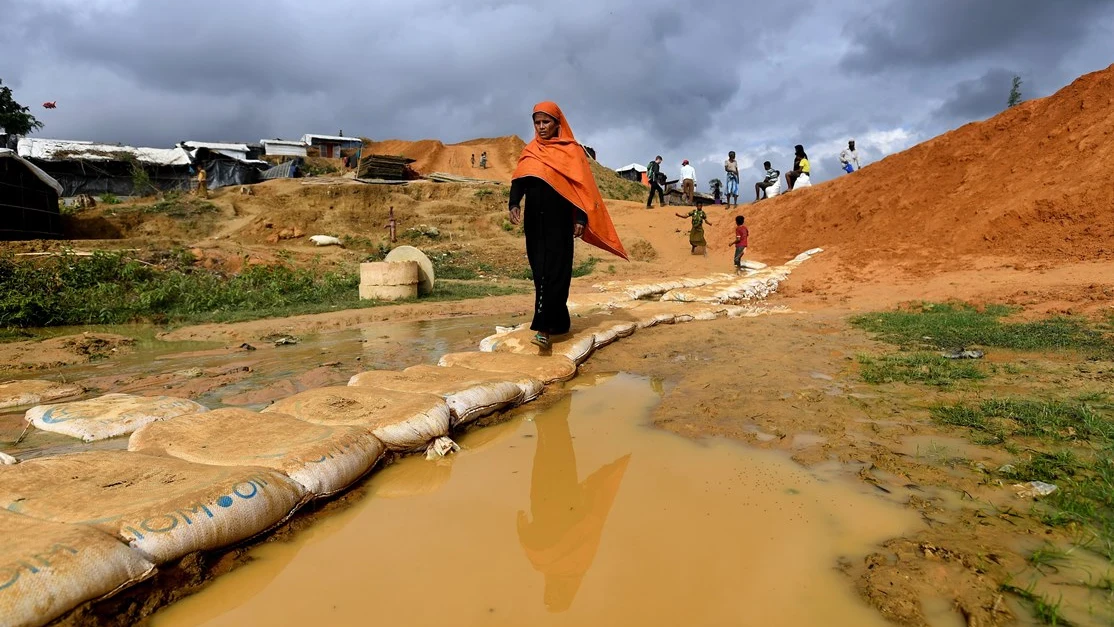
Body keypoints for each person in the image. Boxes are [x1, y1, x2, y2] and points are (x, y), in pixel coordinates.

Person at [508, 102, 628, 350]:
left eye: (546, 122)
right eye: (537, 123)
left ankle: (542, 329)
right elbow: (520, 180)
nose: (541, 127)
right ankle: (560, 322)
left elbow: (582, 188)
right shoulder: (531, 151)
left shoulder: (572, 152)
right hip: (534, 222)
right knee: (540, 272)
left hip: (560, 222)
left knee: (557, 272)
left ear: (557, 123)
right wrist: (513, 203)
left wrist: (581, 219)